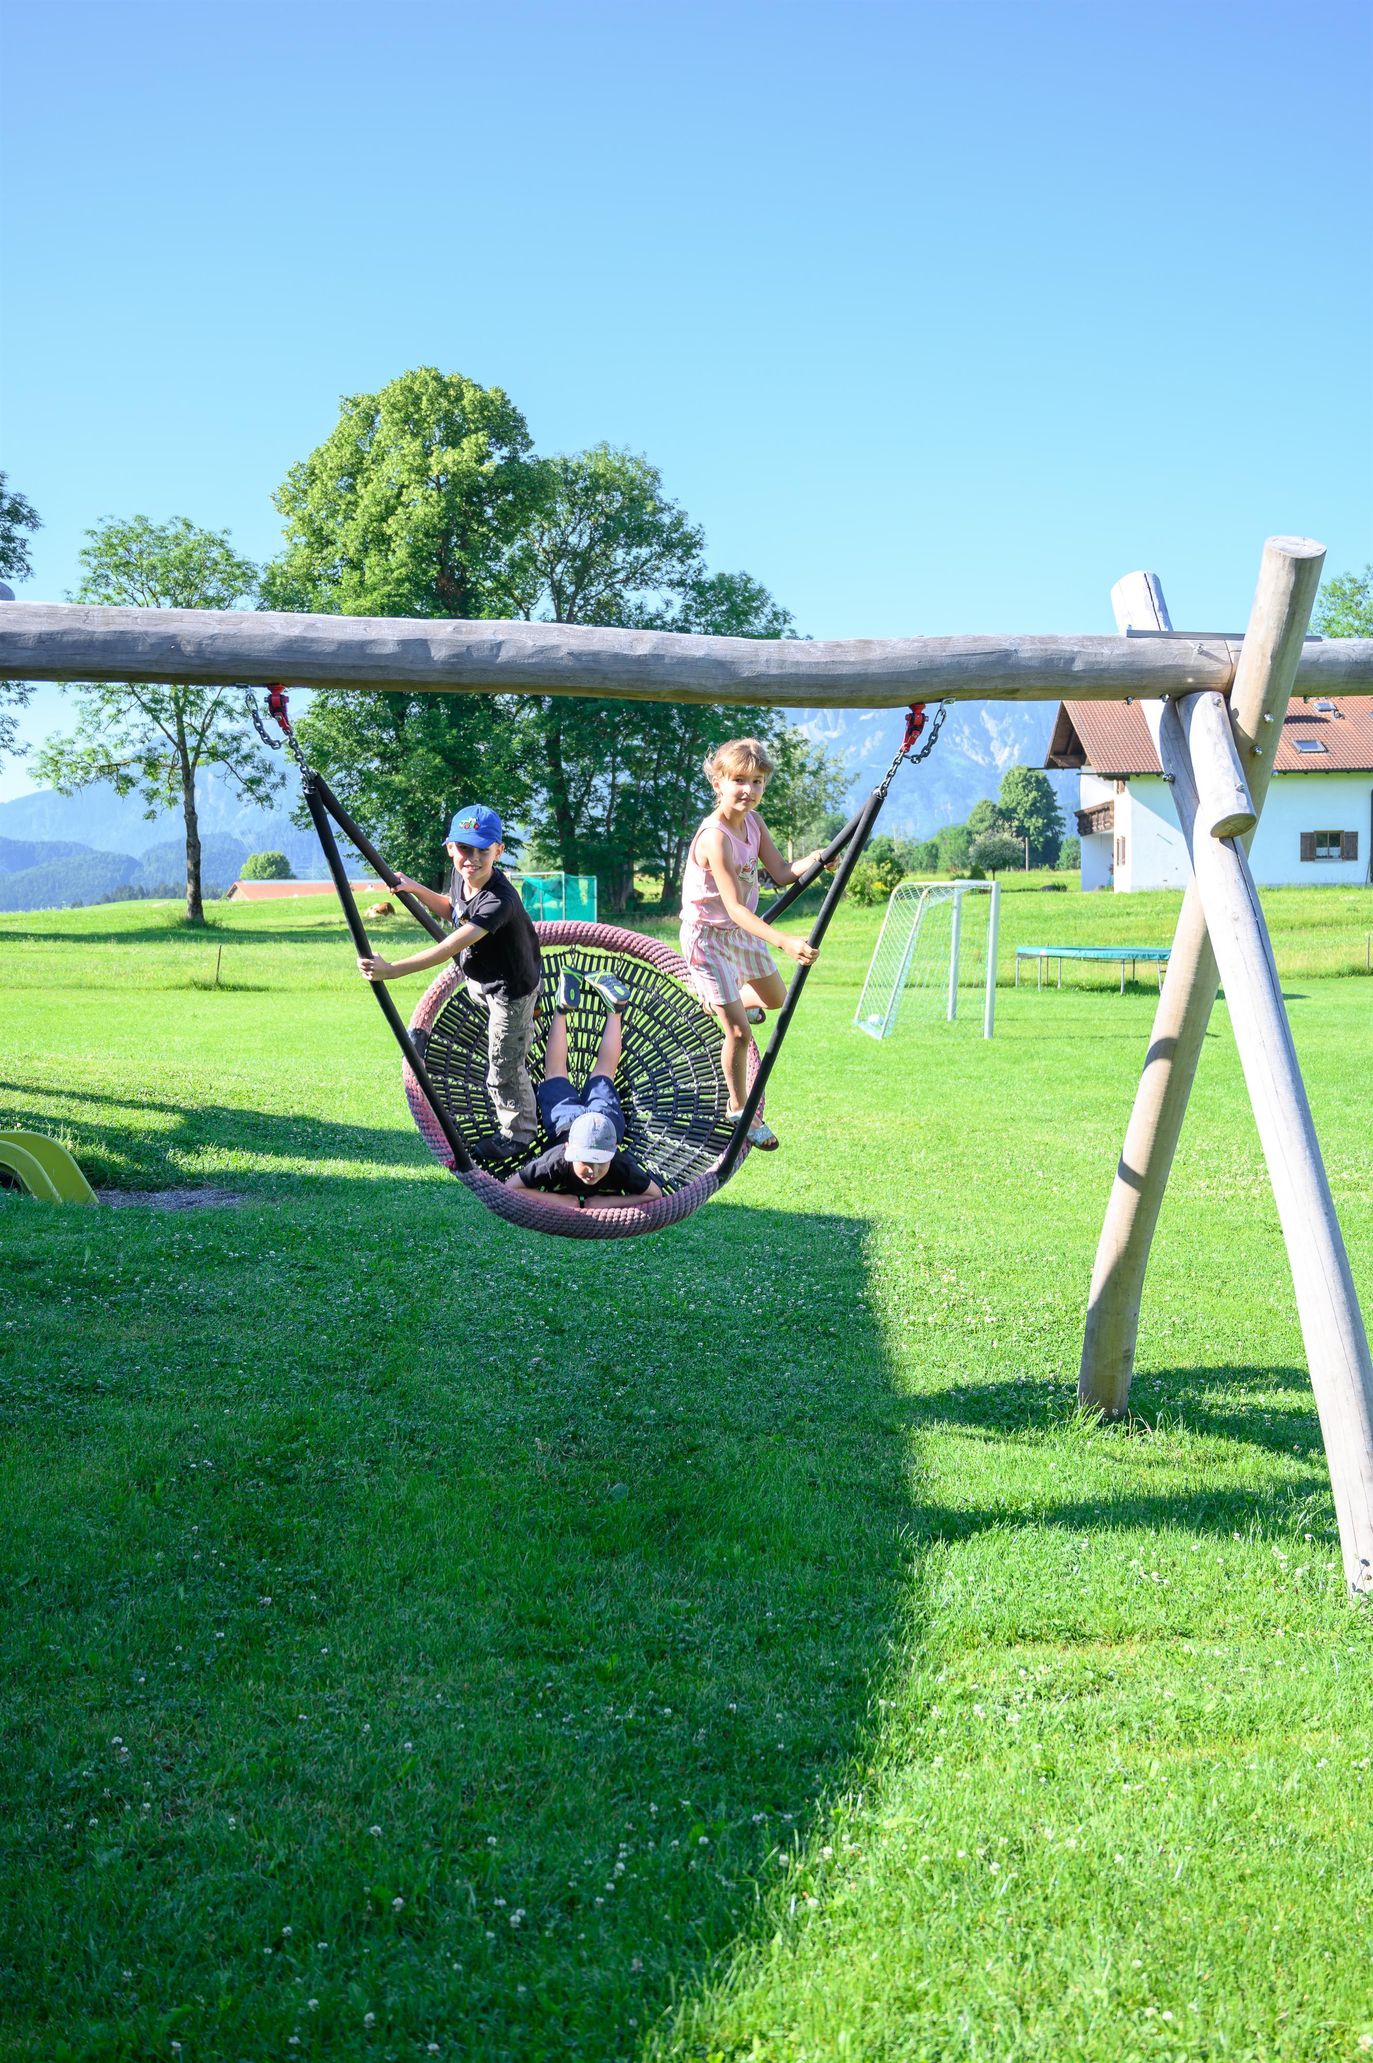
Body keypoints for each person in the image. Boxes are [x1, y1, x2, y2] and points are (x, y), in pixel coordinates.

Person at [358, 805, 540, 1165]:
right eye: (463, 849)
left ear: (498, 851)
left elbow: (447, 947)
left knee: (503, 1067)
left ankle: (518, 1134)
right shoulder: (463, 877)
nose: (471, 859)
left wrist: (392, 970)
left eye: (482, 851)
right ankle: (519, 1044)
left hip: (509, 991)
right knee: (501, 1037)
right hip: (483, 980)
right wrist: (415, 888)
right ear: (450, 848)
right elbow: (452, 910)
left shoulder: (498, 901)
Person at [679, 737, 829, 1151]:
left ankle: (724, 999)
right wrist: (783, 941)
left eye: (758, 782)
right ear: (719, 783)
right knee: (740, 1035)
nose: (749, 790)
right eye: (740, 781)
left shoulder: (754, 824)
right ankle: (739, 1108)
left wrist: (818, 857)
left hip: (740, 932)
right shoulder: (716, 837)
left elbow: (781, 872)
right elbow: (735, 908)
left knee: (777, 997)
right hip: (709, 937)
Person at [506, 966, 664, 1212]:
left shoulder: (617, 1164)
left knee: (561, 1072)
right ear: (568, 1150)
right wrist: (571, 1203)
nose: (593, 1171)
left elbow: (655, 1194)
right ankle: (612, 1011)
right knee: (601, 1072)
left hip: (576, 1121)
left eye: (600, 1162)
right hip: (586, 1122)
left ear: (612, 1152)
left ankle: (567, 1011)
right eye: (588, 1162)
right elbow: (512, 1187)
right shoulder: (555, 1161)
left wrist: (600, 1203)